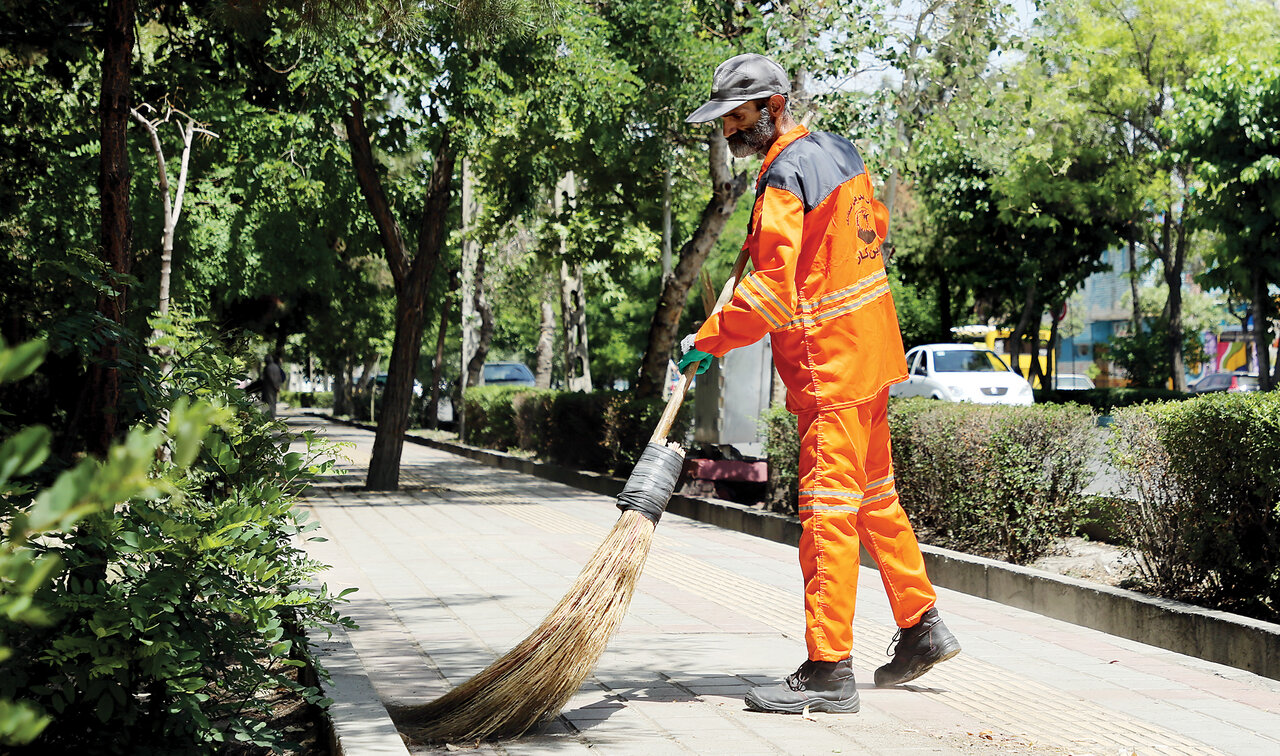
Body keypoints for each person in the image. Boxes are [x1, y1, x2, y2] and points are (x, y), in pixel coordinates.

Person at [679, 53, 960, 715]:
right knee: (873, 501)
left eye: (737, 116)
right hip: (871, 356)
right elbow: (871, 233)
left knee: (828, 516)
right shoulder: (840, 153)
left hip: (830, 367)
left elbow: (773, 290)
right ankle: (922, 626)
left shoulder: (783, 173)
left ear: (773, 106)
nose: (727, 131)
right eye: (723, 119)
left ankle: (829, 667)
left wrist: (708, 340)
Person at [261, 354, 285, 420]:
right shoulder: (276, 367)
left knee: (269, 403)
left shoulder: (268, 367)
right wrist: (278, 386)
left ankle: (270, 417)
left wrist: (275, 386)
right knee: (273, 402)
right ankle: (272, 416)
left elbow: (271, 378)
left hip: (269, 388)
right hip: (275, 387)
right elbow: (279, 377)